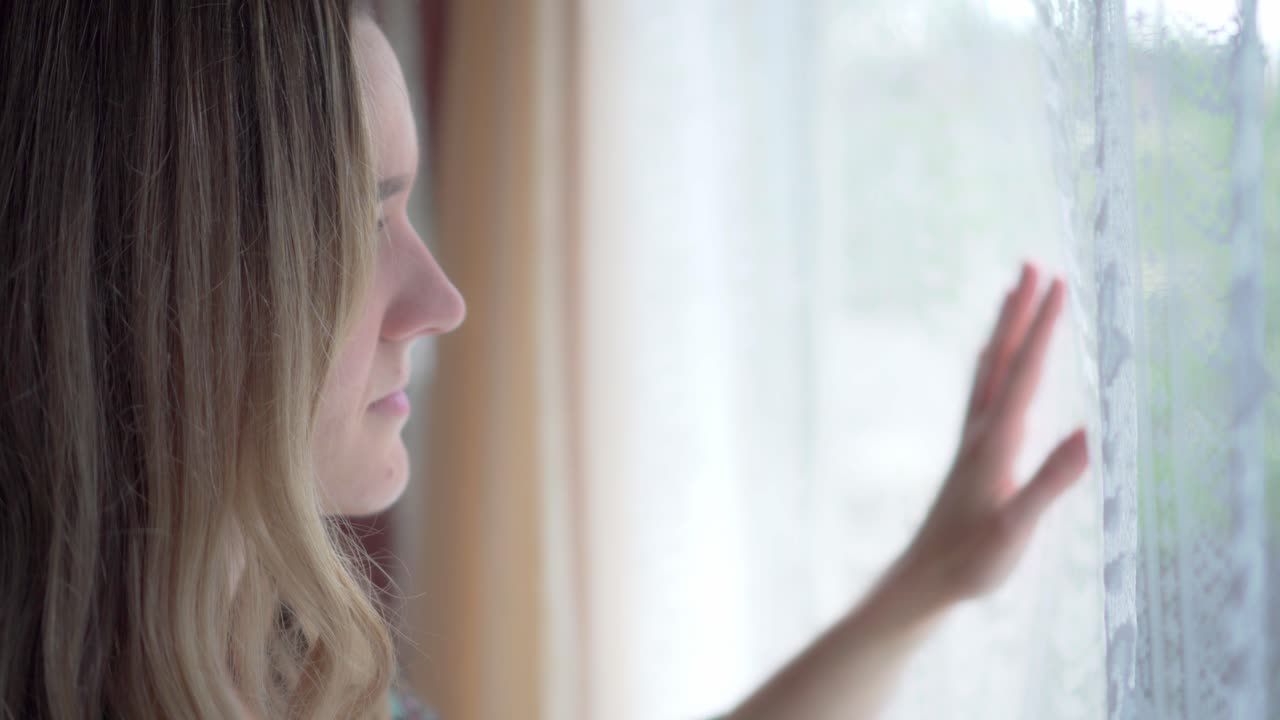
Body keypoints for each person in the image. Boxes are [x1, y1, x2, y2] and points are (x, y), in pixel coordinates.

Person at [0, 1, 1088, 718]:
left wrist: (925, 581)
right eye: (357, 226)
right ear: (170, 288)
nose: (441, 302)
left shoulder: (291, 680)